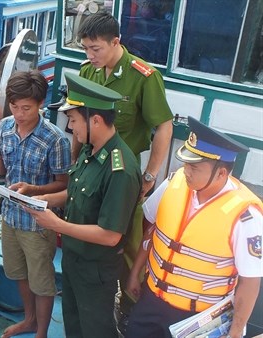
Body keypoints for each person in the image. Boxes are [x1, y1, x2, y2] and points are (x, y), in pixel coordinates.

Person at [76, 11, 174, 326]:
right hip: (91, 170)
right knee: (86, 230)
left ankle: (130, 307)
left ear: (115, 42)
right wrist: (73, 163)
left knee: (128, 243)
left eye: (96, 49)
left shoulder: (143, 76)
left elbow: (164, 126)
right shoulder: (87, 72)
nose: (90, 56)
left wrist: (151, 175)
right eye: (85, 49)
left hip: (123, 177)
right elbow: (77, 121)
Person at [26, 72, 141, 338]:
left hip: (95, 271)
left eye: (74, 121)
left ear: (96, 120)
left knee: (95, 331)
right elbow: (77, 192)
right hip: (74, 260)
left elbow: (111, 235)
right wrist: (46, 200)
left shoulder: (120, 169)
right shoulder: (91, 150)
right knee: (74, 326)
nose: (72, 129)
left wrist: (58, 225)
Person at [125, 117, 263, 338]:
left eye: (195, 167)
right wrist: (135, 272)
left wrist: (235, 331)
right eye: (186, 163)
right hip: (151, 301)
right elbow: (152, 230)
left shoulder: (245, 217)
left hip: (198, 319)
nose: (186, 170)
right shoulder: (175, 182)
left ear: (221, 173)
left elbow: (250, 281)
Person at [0, 70, 71, 338]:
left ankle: (42, 332)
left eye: (26, 108)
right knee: (18, 273)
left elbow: (64, 184)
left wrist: (34, 189)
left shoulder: (55, 139)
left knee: (42, 281)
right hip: (10, 216)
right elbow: (3, 164)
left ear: (40, 104)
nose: (19, 113)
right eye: (14, 106)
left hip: (38, 223)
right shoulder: (4, 127)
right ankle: (29, 320)